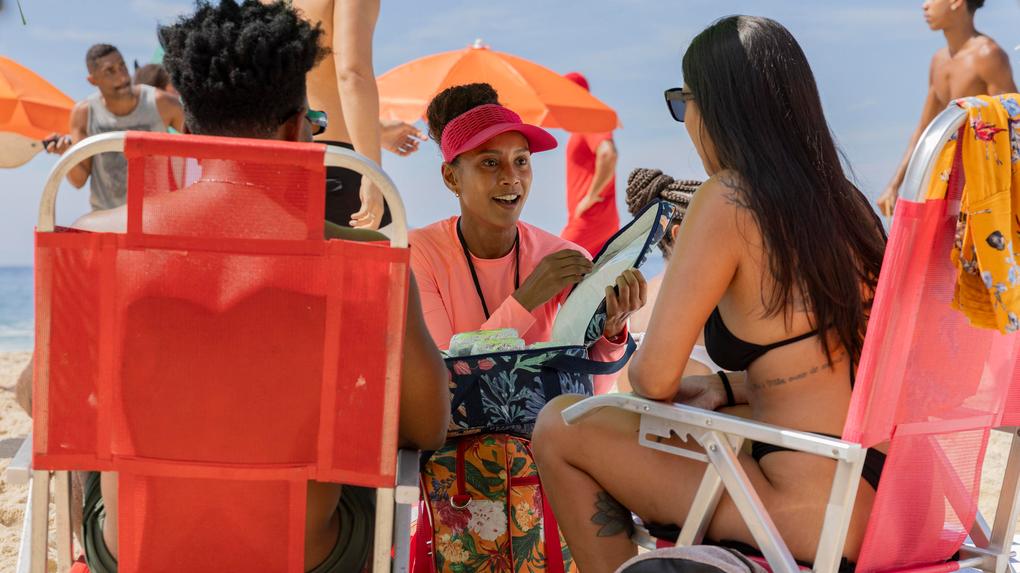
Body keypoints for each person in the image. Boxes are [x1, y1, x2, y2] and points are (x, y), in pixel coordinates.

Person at [25, 2, 450, 572]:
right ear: (297, 130)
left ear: (186, 127)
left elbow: (39, 397)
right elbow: (427, 424)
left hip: (136, 556)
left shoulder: (99, 243)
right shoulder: (362, 259)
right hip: (309, 557)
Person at [532, 16, 888, 573]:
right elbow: (836, 365)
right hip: (885, 504)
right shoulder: (849, 205)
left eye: (683, 102)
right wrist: (725, 386)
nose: (685, 122)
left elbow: (653, 380)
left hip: (806, 514)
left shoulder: (728, 200)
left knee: (560, 425)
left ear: (718, 107)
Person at [409, 83, 643, 394]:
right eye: (490, 162)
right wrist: (528, 297)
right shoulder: (419, 252)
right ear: (451, 177)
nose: (511, 177)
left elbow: (589, 391)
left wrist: (612, 333)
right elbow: (445, 383)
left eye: (521, 161)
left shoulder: (564, 258)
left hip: (544, 422)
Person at [290, 0, 427, 229]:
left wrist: (378, 130)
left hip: (275, 168)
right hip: (337, 170)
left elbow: (298, 95)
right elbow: (352, 74)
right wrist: (371, 174)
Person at [876, 0, 1015, 216]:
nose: (924, 5)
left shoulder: (988, 55)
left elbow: (1013, 126)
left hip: (984, 194)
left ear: (956, 2)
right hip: (948, 186)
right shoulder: (938, 62)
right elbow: (924, 130)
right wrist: (894, 186)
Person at [613, 169, 726, 394]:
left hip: (635, 411)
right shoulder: (707, 298)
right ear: (680, 234)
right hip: (686, 414)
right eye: (715, 229)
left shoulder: (640, 295)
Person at [44, 44, 184, 211]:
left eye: (122, 66)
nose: (122, 76)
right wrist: (66, 153)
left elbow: (202, 145)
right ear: (93, 80)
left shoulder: (162, 103)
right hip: (106, 216)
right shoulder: (84, 114)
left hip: (155, 214)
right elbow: (79, 180)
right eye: (110, 71)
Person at [560, 71, 620, 256]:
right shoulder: (583, 125)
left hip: (590, 219)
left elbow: (608, 154)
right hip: (598, 219)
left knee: (553, 261)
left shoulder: (589, 120)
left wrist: (591, 197)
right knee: (587, 274)